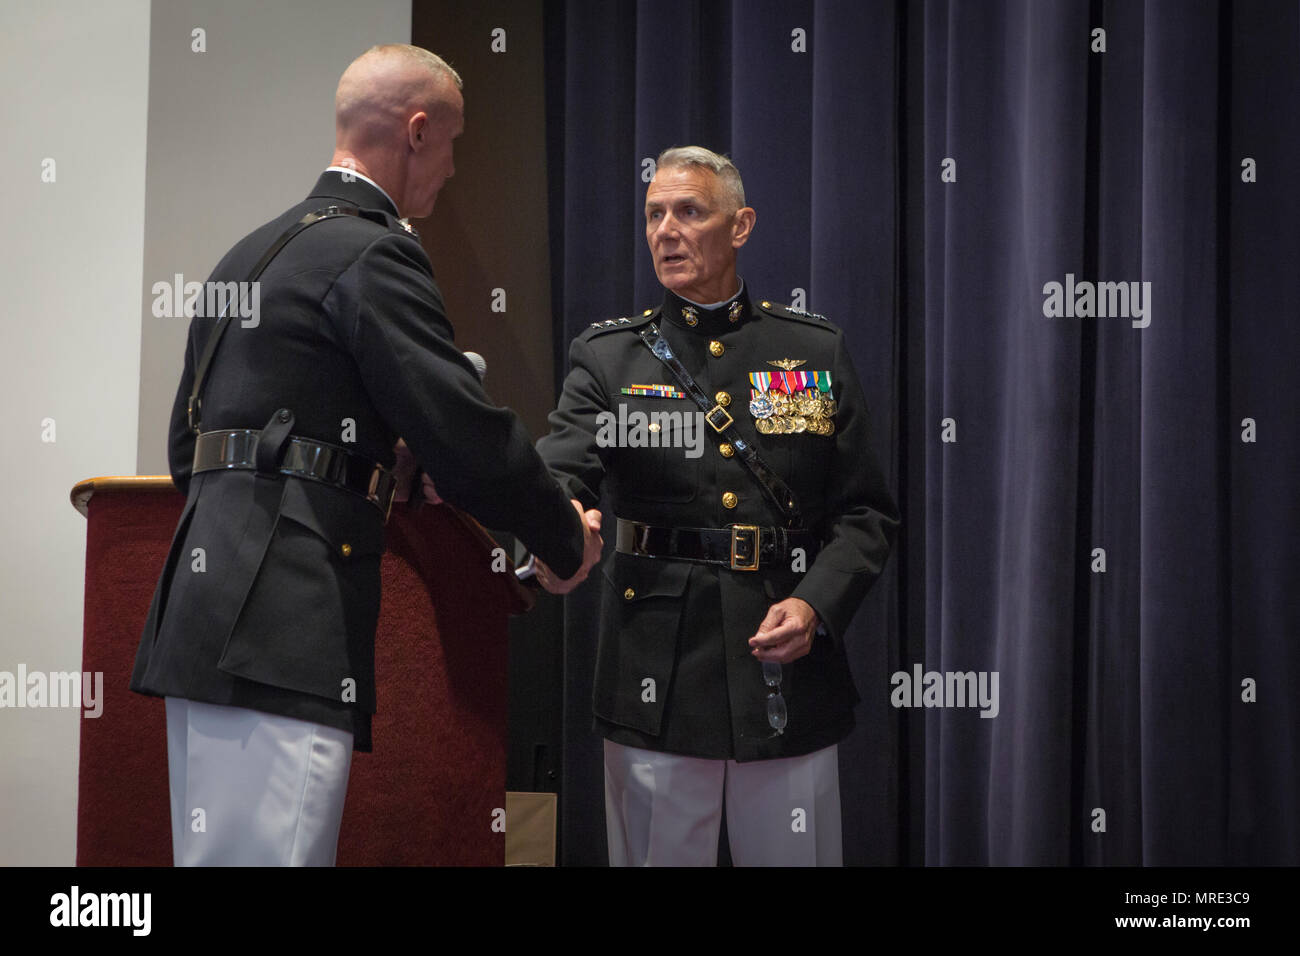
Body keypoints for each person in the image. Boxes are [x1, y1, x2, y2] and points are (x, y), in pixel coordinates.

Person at [130, 44, 602, 866]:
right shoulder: (376, 251)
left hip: (201, 625)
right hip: (285, 626)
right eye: (451, 143)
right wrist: (560, 535)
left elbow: (186, 452)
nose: (451, 170)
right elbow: (464, 428)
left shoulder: (245, 255)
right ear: (417, 131)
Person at [534, 146, 899, 865]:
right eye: (654, 215)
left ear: (741, 226)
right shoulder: (610, 358)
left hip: (785, 668)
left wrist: (817, 607)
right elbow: (562, 473)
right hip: (656, 678)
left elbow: (864, 514)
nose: (666, 230)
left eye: (689, 212)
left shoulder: (810, 351)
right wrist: (554, 532)